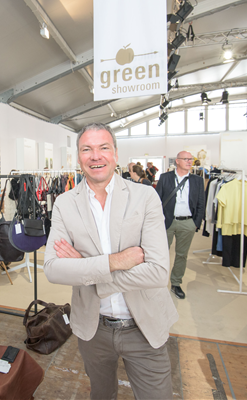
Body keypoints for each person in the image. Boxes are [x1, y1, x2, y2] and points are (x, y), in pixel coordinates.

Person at [44, 122, 178, 400]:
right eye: (87, 149)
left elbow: (156, 273)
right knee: (101, 395)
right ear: (78, 157)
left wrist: (85, 266)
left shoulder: (145, 197)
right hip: (94, 330)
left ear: (115, 154)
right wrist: (116, 261)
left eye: (103, 148)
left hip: (144, 327)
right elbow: (53, 269)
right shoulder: (64, 203)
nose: (96, 156)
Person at [155, 151, 205, 300]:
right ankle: (158, 283)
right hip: (167, 222)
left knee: (182, 255)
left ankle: (176, 283)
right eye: (186, 159)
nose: (189, 162)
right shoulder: (165, 178)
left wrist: (195, 223)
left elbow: (201, 203)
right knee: (161, 254)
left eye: (191, 159)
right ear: (177, 161)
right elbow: (157, 201)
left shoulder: (197, 180)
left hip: (187, 222)